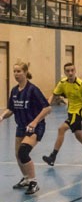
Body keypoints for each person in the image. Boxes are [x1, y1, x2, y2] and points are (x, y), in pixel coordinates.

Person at [0, 62, 51, 195]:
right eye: (14, 71)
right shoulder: (14, 91)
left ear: (25, 72)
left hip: (35, 127)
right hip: (21, 126)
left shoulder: (33, 90)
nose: (16, 74)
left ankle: (34, 182)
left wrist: (34, 122)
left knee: (23, 152)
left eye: (19, 71)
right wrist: (2, 116)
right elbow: (11, 109)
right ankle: (27, 179)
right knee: (18, 155)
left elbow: (47, 108)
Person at [42, 62, 82, 166]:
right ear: (65, 72)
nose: (70, 73)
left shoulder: (81, 85)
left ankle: (52, 157)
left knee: (61, 129)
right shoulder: (63, 83)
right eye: (68, 71)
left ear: (75, 71)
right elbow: (54, 94)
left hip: (78, 113)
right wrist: (48, 104)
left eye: (72, 70)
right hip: (70, 112)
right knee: (79, 136)